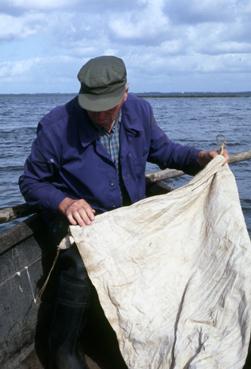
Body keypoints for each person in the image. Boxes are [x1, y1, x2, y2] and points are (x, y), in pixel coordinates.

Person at [19, 55, 228, 369]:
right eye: (94, 107)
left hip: (127, 220)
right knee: (78, 263)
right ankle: (62, 344)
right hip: (78, 221)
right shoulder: (55, 126)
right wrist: (66, 203)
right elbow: (31, 182)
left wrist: (200, 157)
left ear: (125, 93)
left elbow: (164, 150)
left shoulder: (140, 111)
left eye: (109, 107)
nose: (102, 115)